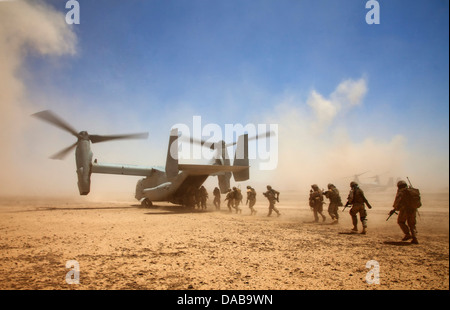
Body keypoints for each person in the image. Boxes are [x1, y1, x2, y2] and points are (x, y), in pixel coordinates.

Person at [389, 180, 419, 244]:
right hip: (413, 209)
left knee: (400, 221)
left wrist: (394, 209)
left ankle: (407, 234)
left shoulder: (402, 192)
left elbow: (398, 202)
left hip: (405, 210)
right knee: (412, 224)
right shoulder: (411, 191)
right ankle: (415, 238)